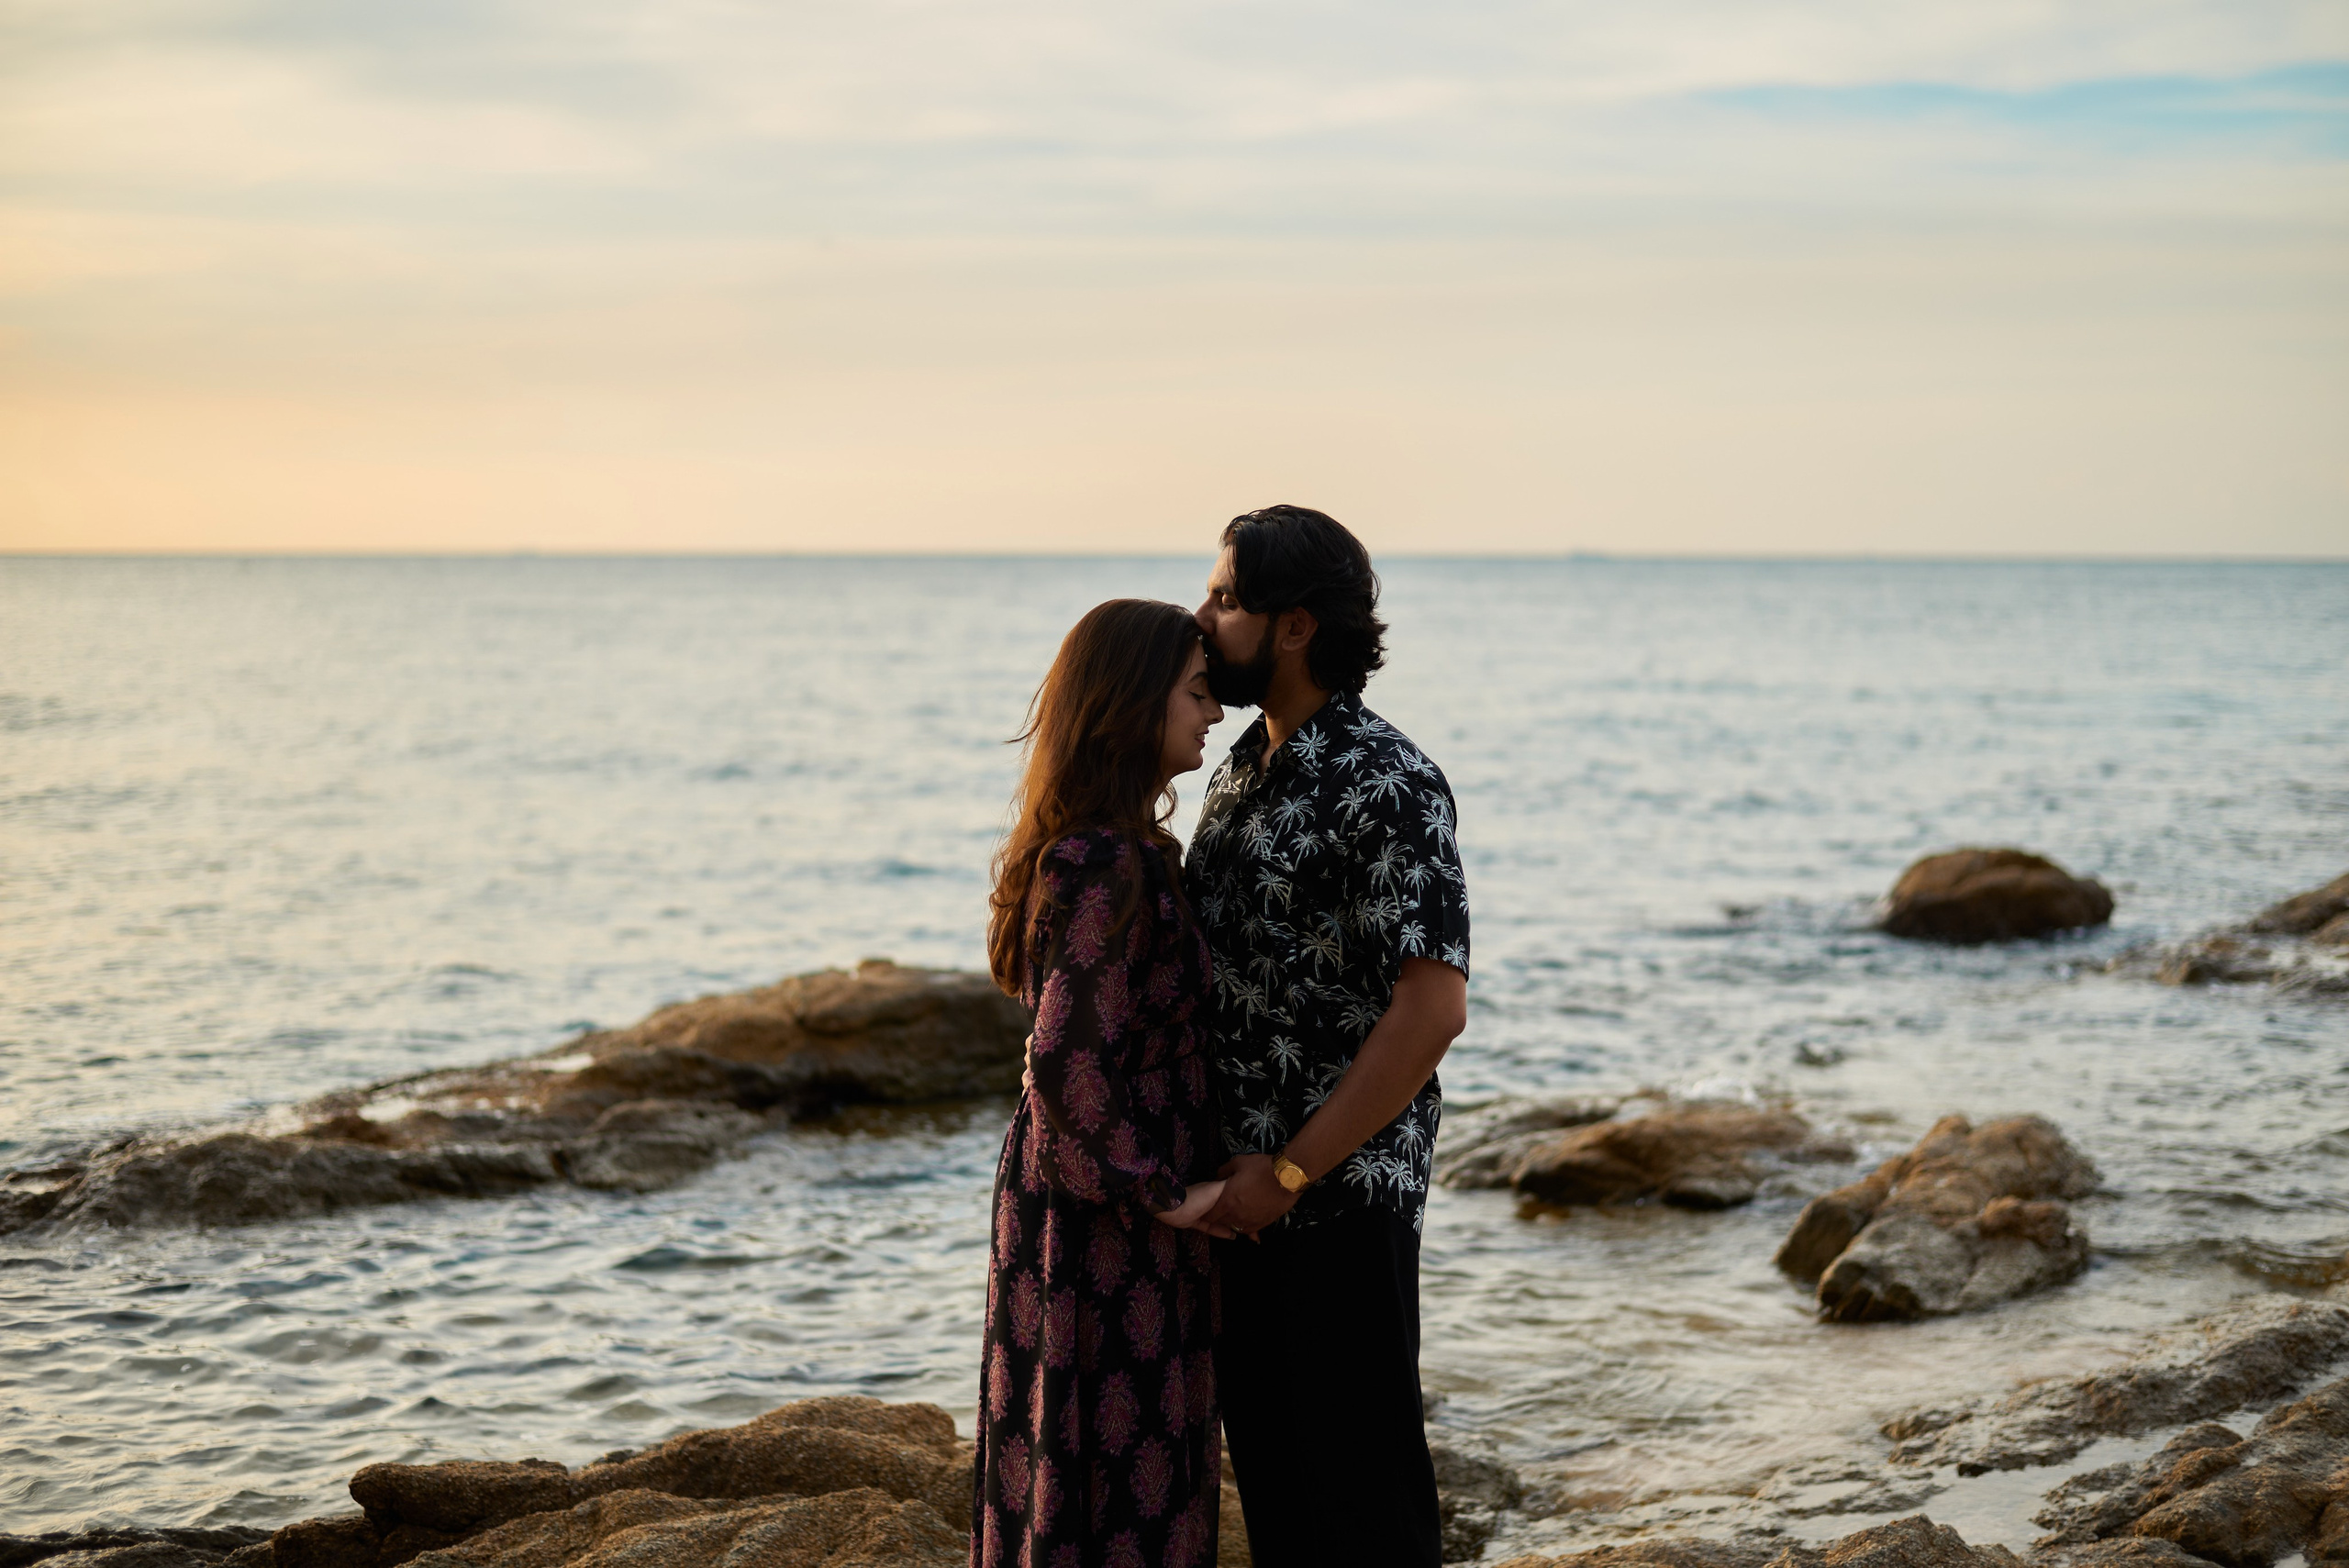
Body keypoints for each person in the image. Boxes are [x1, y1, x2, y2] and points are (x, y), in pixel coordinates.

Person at [1188, 506, 1471, 1568]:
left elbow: (1431, 1008)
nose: (1201, 616)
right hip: (1237, 1202)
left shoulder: (1387, 778)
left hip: (1338, 1201)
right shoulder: (1237, 770)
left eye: (1225, 598)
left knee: (1364, 1512)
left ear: (1295, 625)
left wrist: (1292, 1172)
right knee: (1280, 1509)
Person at [972, 598, 1233, 1568]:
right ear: (1133, 702)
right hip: (1104, 1227)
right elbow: (1064, 1057)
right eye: (1198, 693)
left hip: (1086, 1204)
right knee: (1118, 1486)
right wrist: (1167, 1195)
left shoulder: (1103, 848)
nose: (1215, 714)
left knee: (1082, 1475)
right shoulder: (1103, 861)